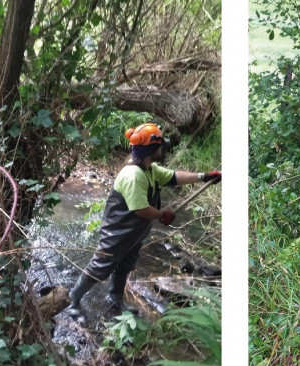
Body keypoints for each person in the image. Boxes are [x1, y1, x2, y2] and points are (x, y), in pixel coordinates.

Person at [66, 123, 221, 317]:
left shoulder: (149, 169)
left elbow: (173, 177)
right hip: (117, 231)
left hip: (134, 233)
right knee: (100, 266)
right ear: (151, 149)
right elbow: (140, 209)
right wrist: (162, 214)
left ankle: (114, 302)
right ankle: (72, 299)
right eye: (159, 145)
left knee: (125, 266)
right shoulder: (133, 175)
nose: (162, 148)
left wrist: (203, 176)